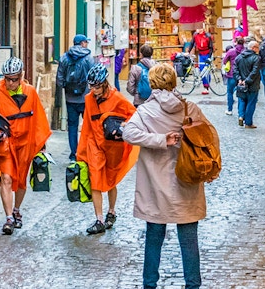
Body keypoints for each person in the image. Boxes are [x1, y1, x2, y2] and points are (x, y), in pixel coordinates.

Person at [123, 63, 220, 289]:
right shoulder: (189, 109)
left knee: (154, 239)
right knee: (189, 241)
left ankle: (150, 285)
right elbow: (210, 138)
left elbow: (128, 132)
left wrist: (158, 140)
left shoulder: (145, 112)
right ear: (174, 82)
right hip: (186, 185)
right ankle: (192, 285)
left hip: (155, 189)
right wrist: (212, 168)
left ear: (153, 84)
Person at [0, 57, 51, 235]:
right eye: (7, 79)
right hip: (6, 144)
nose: (10, 83)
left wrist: (41, 144)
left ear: (21, 76)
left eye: (14, 79)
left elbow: (38, 119)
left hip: (25, 144)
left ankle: (16, 210)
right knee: (6, 178)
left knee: (21, 180)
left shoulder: (30, 92)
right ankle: (8, 218)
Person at [77, 63, 139, 235]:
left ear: (104, 84)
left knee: (111, 180)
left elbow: (133, 113)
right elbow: (88, 124)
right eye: (91, 86)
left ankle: (111, 211)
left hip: (113, 146)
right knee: (95, 179)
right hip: (94, 144)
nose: (94, 90)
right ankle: (99, 219)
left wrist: (124, 125)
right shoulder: (89, 99)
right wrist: (82, 151)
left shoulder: (117, 98)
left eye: (96, 86)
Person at [56, 34, 94, 162]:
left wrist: (66, 88)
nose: (86, 44)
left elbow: (59, 78)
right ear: (82, 43)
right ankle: (85, 152)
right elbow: (93, 76)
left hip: (70, 98)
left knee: (72, 126)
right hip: (86, 98)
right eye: (86, 42)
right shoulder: (88, 58)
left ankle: (73, 154)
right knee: (88, 126)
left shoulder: (64, 57)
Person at [233, 40, 261, 129]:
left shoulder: (239, 57)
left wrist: (239, 79)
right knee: (251, 103)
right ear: (253, 48)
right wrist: (247, 80)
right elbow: (255, 71)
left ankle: (241, 116)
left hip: (241, 84)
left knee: (241, 100)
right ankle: (248, 123)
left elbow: (235, 69)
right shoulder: (256, 58)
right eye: (257, 47)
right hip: (252, 85)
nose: (258, 49)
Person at [222, 37, 245, 116]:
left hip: (232, 74)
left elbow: (224, 61)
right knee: (241, 93)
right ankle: (240, 112)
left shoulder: (231, 51)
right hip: (242, 75)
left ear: (236, 42)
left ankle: (230, 109)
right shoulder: (245, 51)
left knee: (230, 92)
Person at [189, 28, 214, 95]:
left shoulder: (208, 36)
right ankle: (205, 87)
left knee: (207, 71)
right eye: (197, 28)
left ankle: (207, 86)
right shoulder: (195, 35)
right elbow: (192, 43)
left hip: (207, 54)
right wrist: (188, 52)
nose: (199, 30)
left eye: (200, 28)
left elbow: (211, 47)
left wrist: (209, 57)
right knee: (202, 70)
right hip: (201, 54)